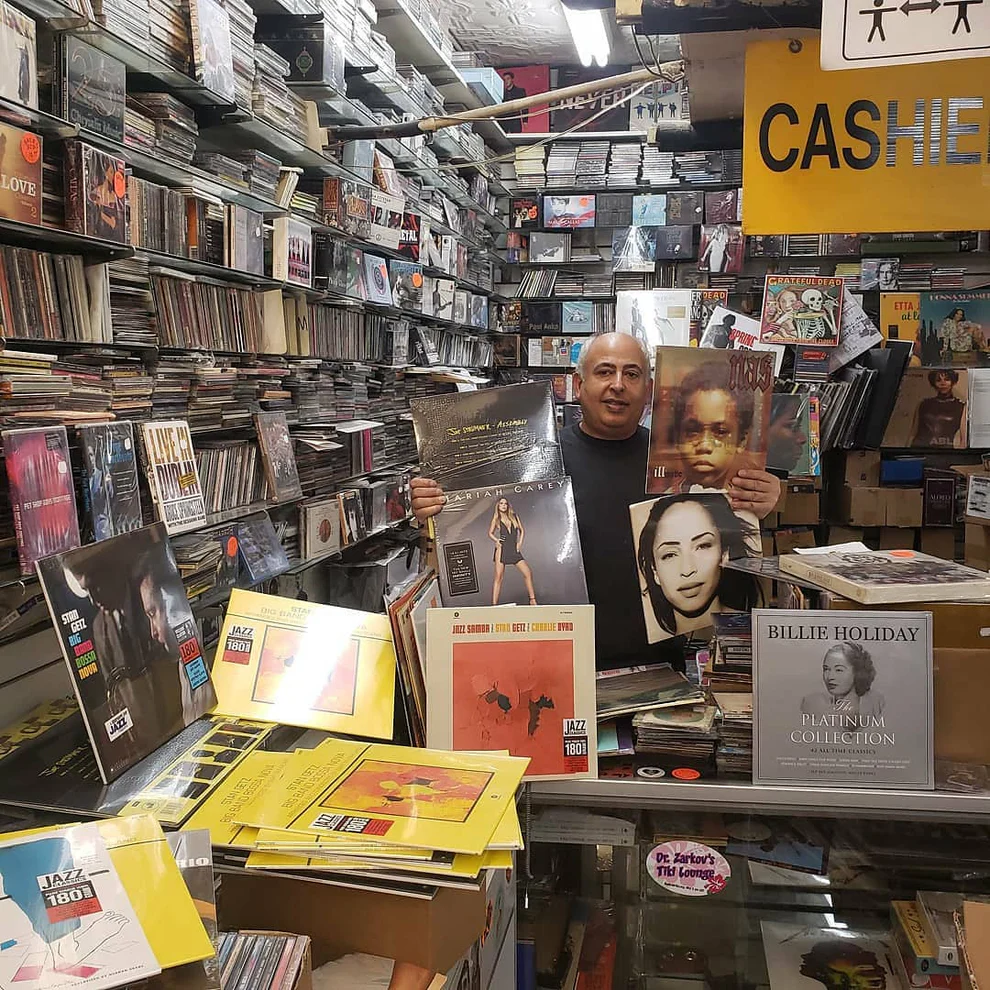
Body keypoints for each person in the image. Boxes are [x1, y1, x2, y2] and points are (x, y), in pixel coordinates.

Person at [412, 333, 781, 670]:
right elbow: (473, 526)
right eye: (604, 371)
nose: (618, 385)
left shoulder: (679, 464)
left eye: (632, 374)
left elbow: (725, 548)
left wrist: (758, 503)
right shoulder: (535, 461)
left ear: (648, 390)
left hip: (656, 667)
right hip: (558, 665)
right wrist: (434, 509)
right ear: (579, 385)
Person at [635, 492, 761, 640]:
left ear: (724, 554)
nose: (687, 570)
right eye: (669, 555)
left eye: (702, 546)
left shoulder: (757, 632)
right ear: (654, 571)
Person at [664, 360, 757, 492]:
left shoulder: (752, 500)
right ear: (678, 437)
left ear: (742, 440)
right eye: (692, 431)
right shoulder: (662, 500)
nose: (704, 446)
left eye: (720, 431)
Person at [800, 642, 885, 720]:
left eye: (839, 670)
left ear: (857, 672)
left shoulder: (876, 705)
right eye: (826, 669)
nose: (830, 677)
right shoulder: (812, 707)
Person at [488, 497, 537, 605]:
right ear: (498, 506)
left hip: (513, 548)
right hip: (502, 549)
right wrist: (497, 540)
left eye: (505, 503)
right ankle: (494, 605)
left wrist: (519, 543)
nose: (503, 505)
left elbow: (522, 530)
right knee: (498, 577)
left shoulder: (514, 516)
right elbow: (490, 533)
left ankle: (532, 600)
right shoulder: (496, 519)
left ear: (508, 505)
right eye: (501, 503)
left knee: (527, 572)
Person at [911, 369, 966, 447]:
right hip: (919, 449)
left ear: (953, 382)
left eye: (947, 379)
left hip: (944, 450)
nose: (943, 383)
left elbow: (963, 440)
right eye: (938, 380)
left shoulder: (960, 406)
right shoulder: (924, 404)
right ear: (934, 383)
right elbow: (913, 433)